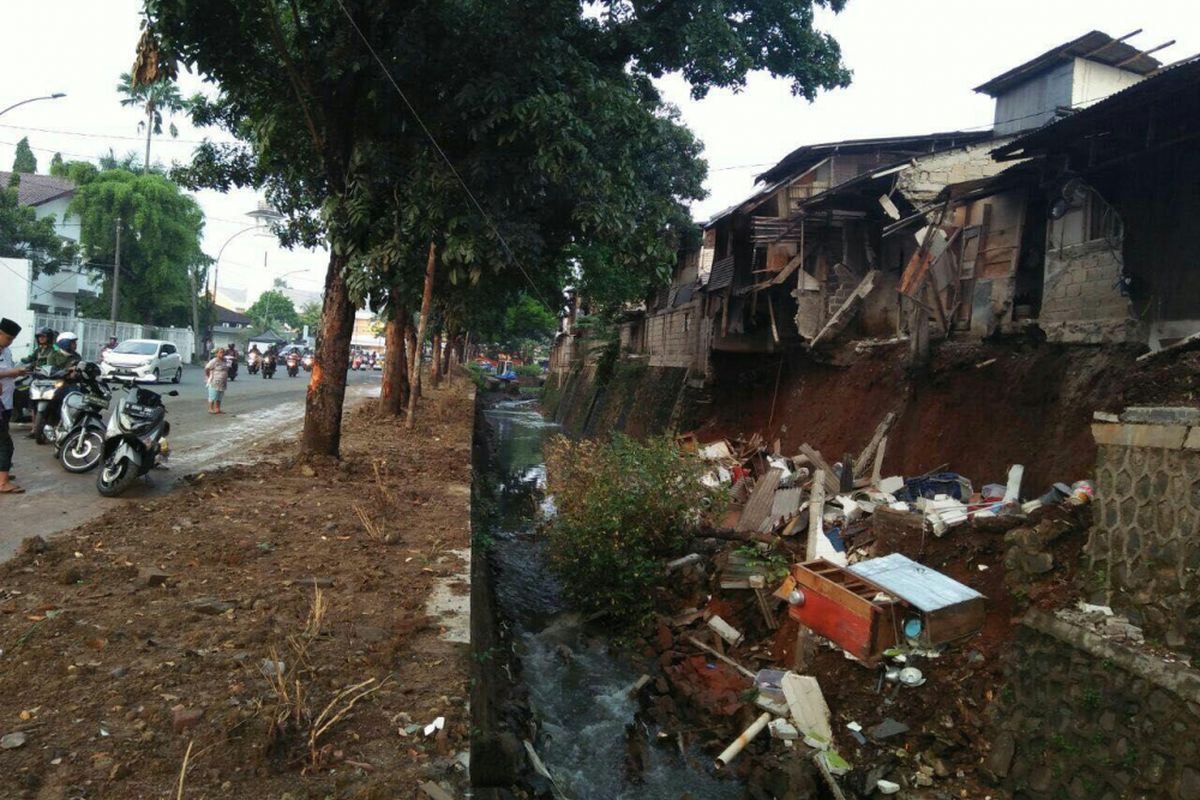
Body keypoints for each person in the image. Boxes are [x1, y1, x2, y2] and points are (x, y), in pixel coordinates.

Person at [0, 317, 27, 493]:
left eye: (12, 340)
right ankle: (2, 483)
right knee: (5, 444)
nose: (10, 342)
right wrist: (13, 372)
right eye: (8, 338)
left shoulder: (6, 351)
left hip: (6, 402)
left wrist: (16, 373)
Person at [204, 347, 230, 414]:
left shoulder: (225, 360)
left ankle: (217, 408)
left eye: (223, 352)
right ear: (217, 353)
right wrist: (208, 376)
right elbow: (207, 368)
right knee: (213, 395)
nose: (222, 354)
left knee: (219, 396)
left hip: (222, 382)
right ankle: (210, 408)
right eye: (220, 352)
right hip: (215, 380)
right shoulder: (214, 361)